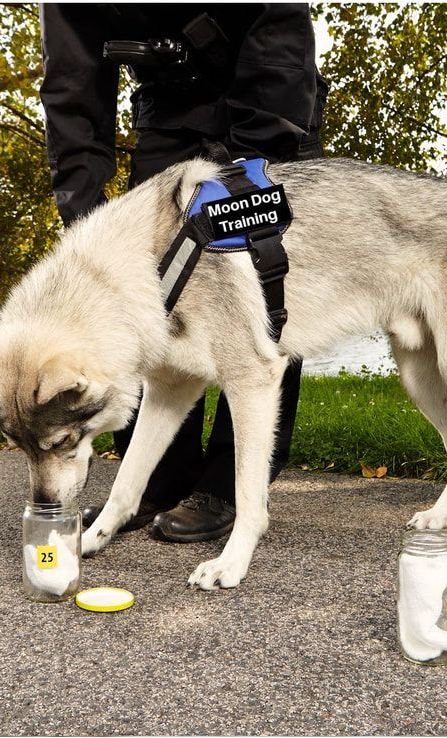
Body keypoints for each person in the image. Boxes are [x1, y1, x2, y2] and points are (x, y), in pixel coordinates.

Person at [39, 3, 327, 542]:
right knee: (154, 302)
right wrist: (84, 212)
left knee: (262, 301)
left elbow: (278, 24)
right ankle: (158, 479)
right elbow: (73, 83)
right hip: (168, 115)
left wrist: (249, 168)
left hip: (271, 102)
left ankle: (228, 483)